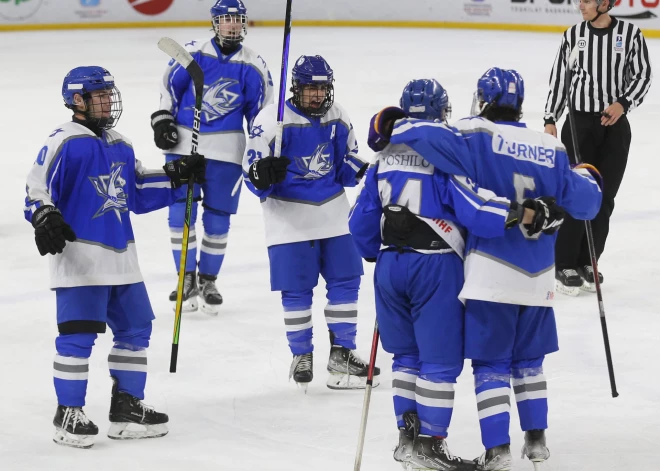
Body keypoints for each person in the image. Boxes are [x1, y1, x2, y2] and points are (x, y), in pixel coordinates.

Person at [375, 68, 602, 470]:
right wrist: (589, 178)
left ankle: (497, 451)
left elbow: (423, 135)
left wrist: (388, 126)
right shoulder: (551, 147)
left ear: (482, 99)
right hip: (538, 278)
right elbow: (587, 203)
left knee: (491, 366)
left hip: (490, 275)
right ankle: (536, 442)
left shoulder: (473, 135)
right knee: (530, 362)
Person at [24, 66, 206, 448]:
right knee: (78, 337)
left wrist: (176, 176)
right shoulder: (64, 140)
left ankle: (126, 407)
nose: (108, 101)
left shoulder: (121, 143)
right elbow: (36, 186)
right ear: (78, 100)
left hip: (124, 259)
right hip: (80, 259)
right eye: (100, 95)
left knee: (136, 330)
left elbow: (137, 189)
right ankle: (68, 413)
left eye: (110, 94)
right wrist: (44, 214)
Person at [243, 54, 379, 391]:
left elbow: (344, 160)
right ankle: (302, 354)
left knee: (347, 281)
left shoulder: (338, 116)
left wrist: (362, 169)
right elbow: (250, 170)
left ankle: (342, 351)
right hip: (288, 219)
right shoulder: (271, 121)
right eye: (310, 89)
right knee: (297, 290)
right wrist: (261, 174)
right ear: (296, 88)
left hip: (333, 214)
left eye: (322, 88)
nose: (317, 95)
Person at [152, 0, 273, 314]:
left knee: (218, 219)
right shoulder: (191, 53)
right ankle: (186, 277)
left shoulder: (254, 65)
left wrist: (262, 152)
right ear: (215, 23)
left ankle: (207, 279)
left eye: (238, 20)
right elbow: (168, 89)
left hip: (227, 150)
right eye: (226, 20)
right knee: (181, 214)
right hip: (183, 145)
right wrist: (163, 120)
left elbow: (261, 116)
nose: (232, 26)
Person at [544, 0, 652, 294]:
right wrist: (551, 117)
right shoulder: (573, 35)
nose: (581, 5)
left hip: (614, 128)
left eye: (588, 0)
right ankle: (564, 261)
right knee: (577, 194)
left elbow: (642, 76)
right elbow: (560, 79)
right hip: (579, 127)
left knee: (605, 197)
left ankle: (587, 260)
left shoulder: (630, 35)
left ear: (605, 3)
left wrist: (623, 103)